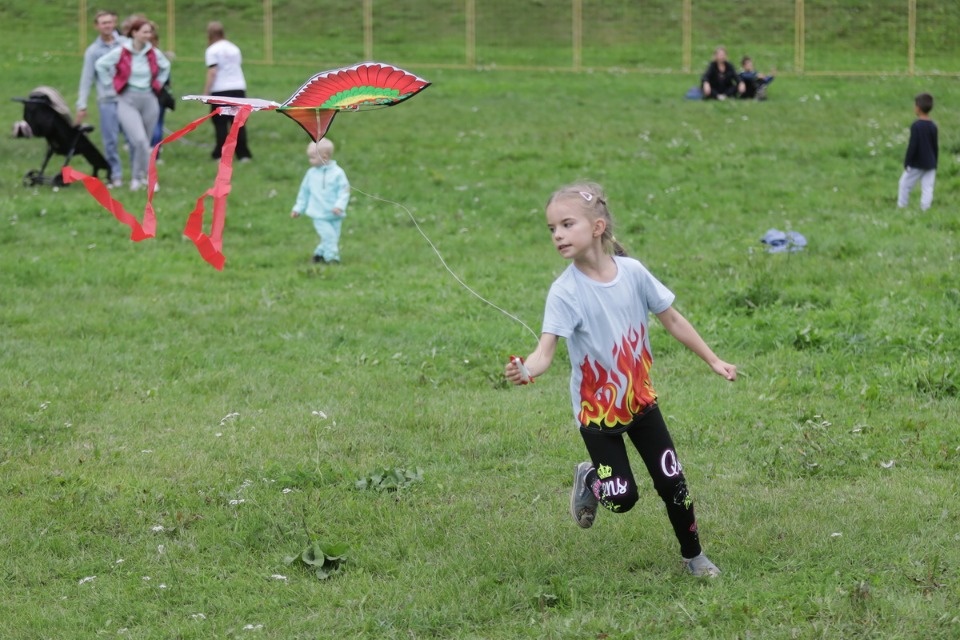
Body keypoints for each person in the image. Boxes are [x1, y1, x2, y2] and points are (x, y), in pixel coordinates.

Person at [504, 182, 737, 578]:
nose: (557, 234)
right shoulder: (564, 292)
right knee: (622, 499)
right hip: (597, 415)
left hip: (642, 403)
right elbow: (546, 351)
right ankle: (592, 477)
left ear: (597, 227)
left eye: (566, 224)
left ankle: (694, 557)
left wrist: (713, 359)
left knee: (673, 483)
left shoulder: (633, 273)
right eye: (551, 229)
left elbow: (673, 319)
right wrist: (527, 369)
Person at [95, 17, 171, 191]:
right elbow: (101, 65)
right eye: (144, 32)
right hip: (127, 99)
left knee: (145, 141)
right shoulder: (122, 51)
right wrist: (109, 85)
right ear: (134, 33)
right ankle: (149, 177)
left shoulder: (153, 52)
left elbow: (165, 66)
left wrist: (158, 83)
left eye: (150, 32)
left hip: (149, 99)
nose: (148, 35)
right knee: (139, 140)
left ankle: (138, 178)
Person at [75, 10, 125, 188]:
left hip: (129, 99)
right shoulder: (93, 51)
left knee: (136, 139)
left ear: (115, 22)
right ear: (97, 26)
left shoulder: (126, 44)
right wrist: (82, 104)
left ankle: (140, 175)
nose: (108, 26)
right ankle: (115, 174)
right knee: (110, 140)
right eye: (103, 23)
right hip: (107, 100)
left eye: (110, 22)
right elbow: (86, 79)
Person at [290, 139, 351, 264]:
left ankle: (319, 255)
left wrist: (339, 206)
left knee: (332, 237)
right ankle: (332, 258)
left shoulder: (338, 173)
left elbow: (344, 191)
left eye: (312, 157)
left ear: (324, 156)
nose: (309, 160)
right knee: (329, 237)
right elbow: (304, 192)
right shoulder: (311, 174)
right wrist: (298, 208)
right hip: (319, 213)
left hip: (335, 214)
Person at [203, 21, 252, 161]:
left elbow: (212, 71)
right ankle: (243, 154)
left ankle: (220, 153)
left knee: (220, 123)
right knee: (238, 123)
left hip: (220, 89)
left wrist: (206, 93)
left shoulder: (212, 50)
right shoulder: (234, 48)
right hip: (238, 87)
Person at [897, 92, 938, 211]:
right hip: (931, 163)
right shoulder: (933, 126)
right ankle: (925, 209)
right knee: (928, 187)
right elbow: (935, 146)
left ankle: (902, 206)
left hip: (917, 163)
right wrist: (935, 162)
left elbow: (913, 145)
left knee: (904, 184)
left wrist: (907, 161)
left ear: (918, 108)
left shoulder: (916, 126)